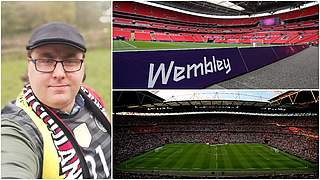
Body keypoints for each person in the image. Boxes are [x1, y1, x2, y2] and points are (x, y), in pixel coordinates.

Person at [1, 22, 111, 179]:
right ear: (29, 65)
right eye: (46, 60)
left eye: (70, 60)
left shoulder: (91, 98)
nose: (59, 73)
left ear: (83, 66)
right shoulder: (18, 128)